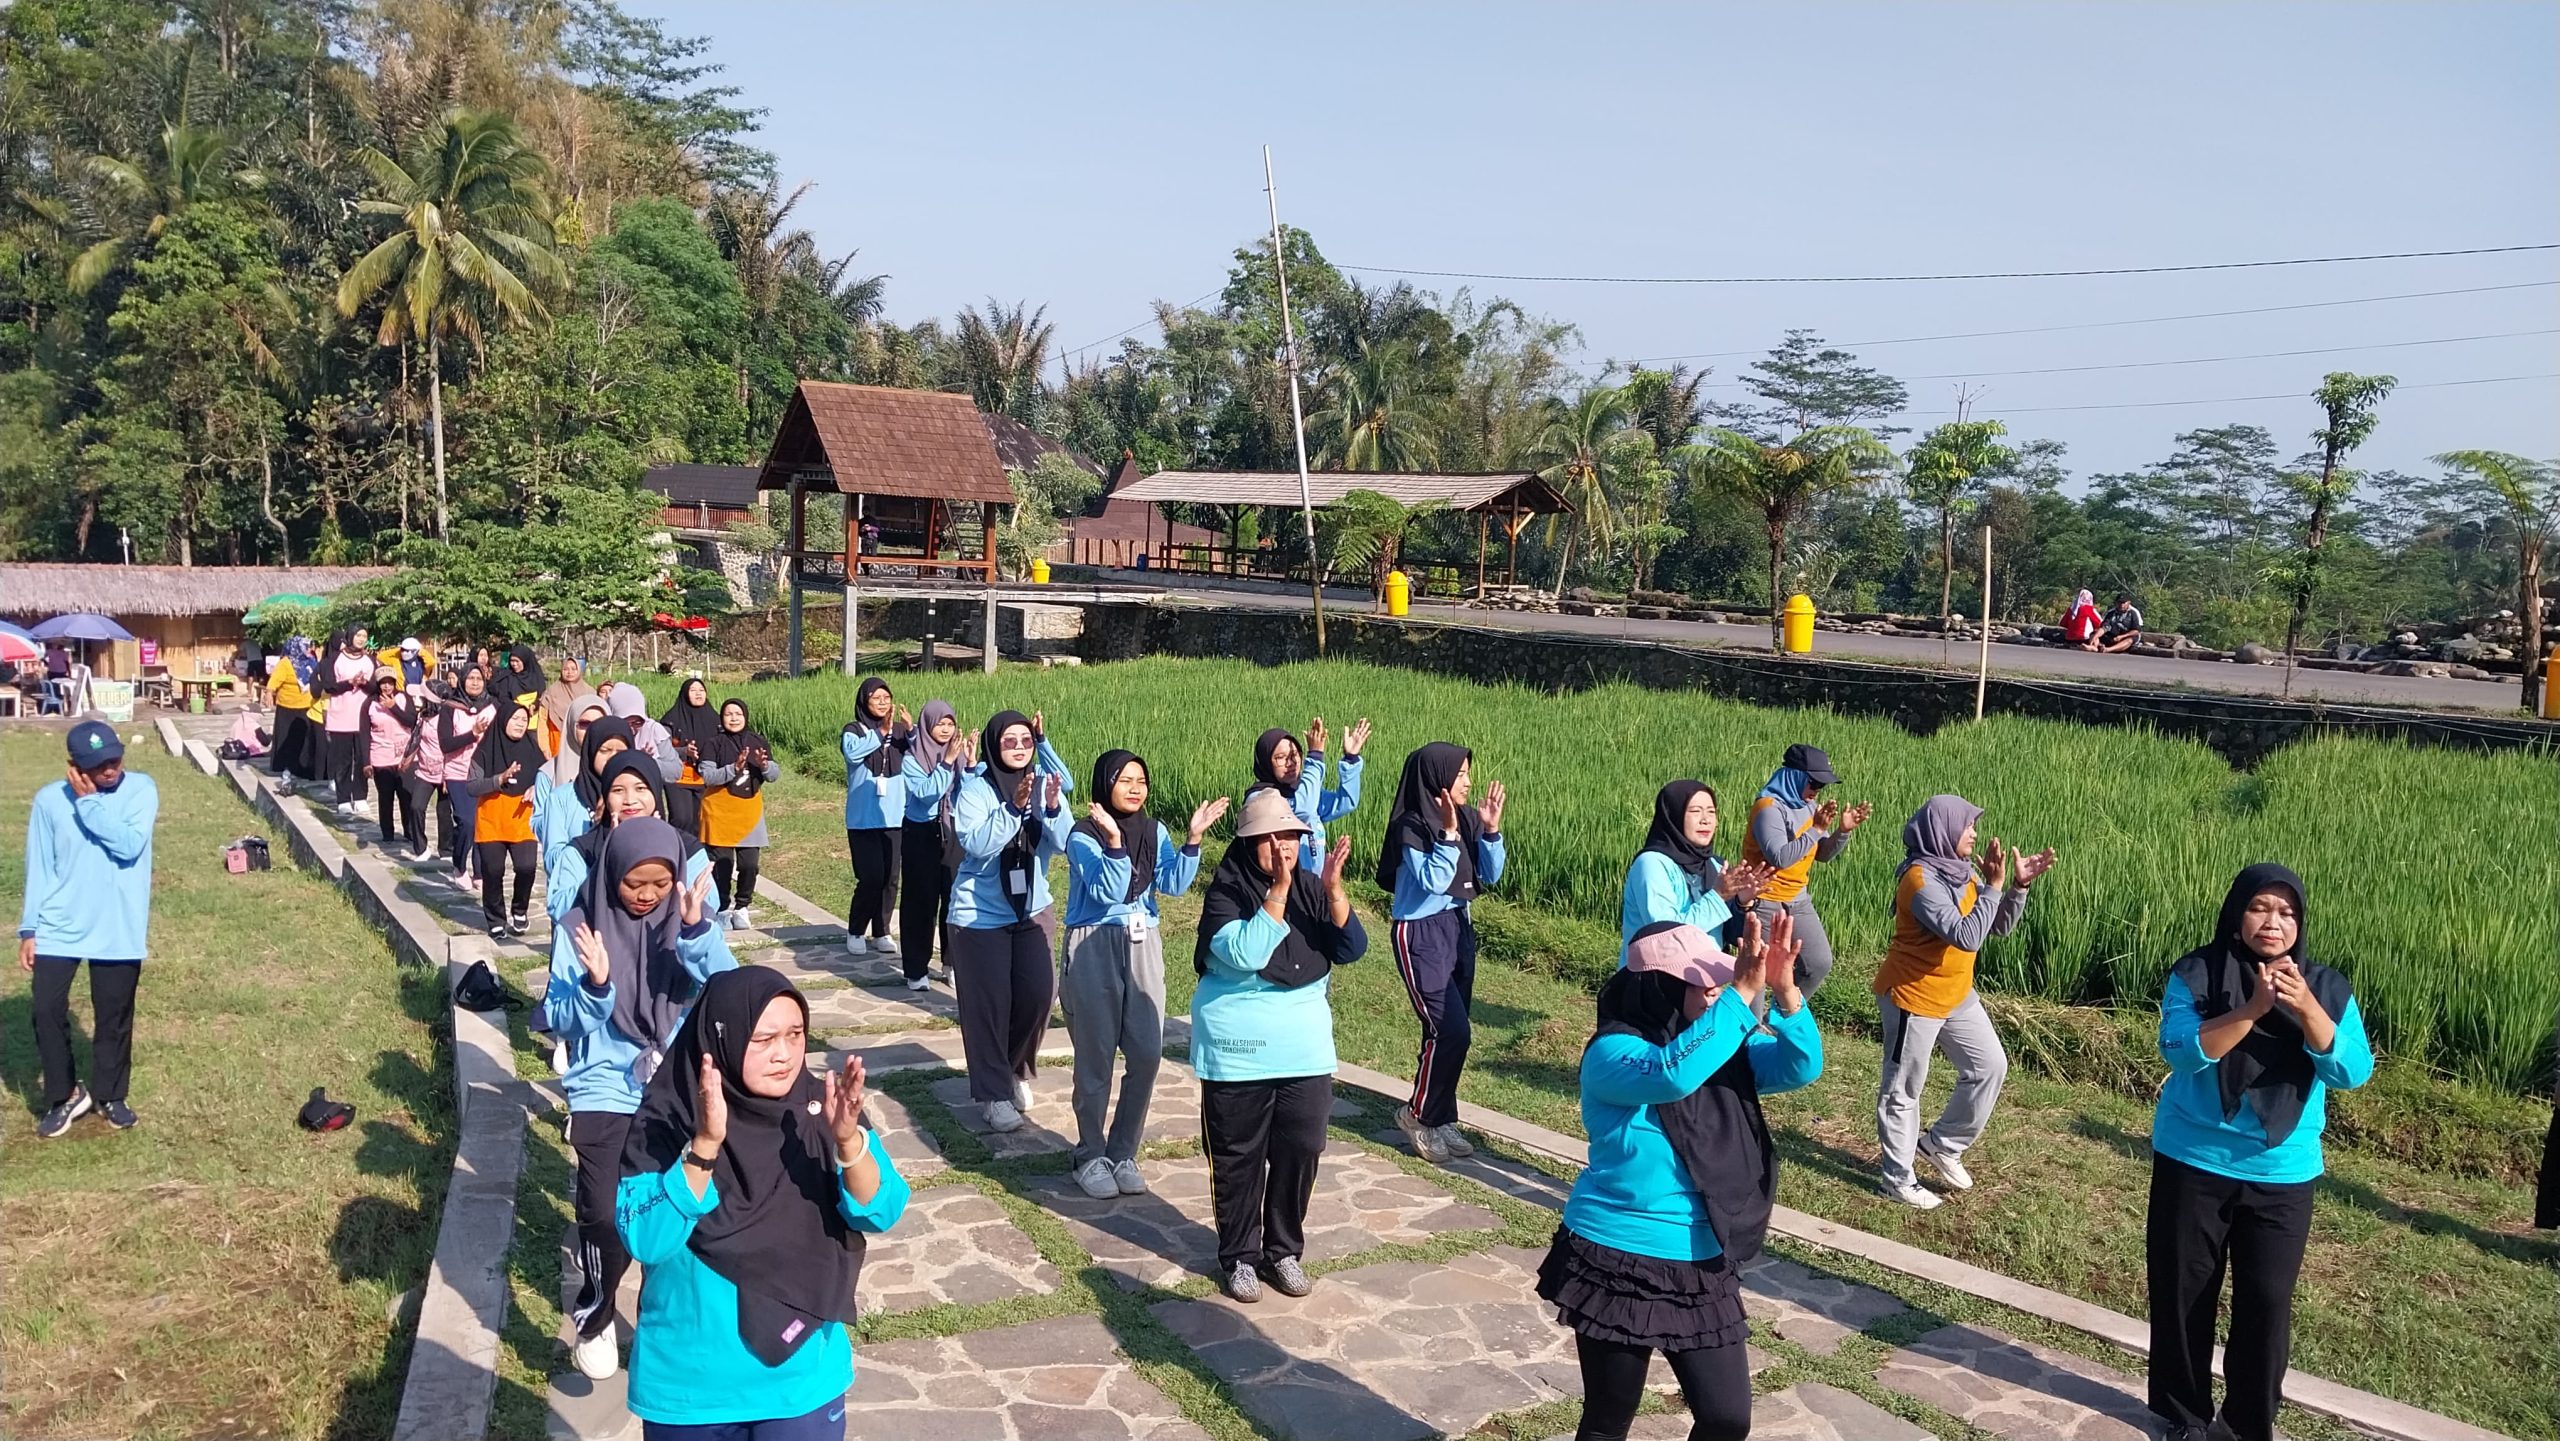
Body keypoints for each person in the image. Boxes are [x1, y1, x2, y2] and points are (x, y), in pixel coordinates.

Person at [1538, 916, 1820, 1441]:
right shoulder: (1611, 1053)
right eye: (1705, 983)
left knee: (1726, 1419)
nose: (1717, 991)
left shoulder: (1719, 1047)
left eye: (1721, 980)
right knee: (1608, 1419)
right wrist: (1740, 996)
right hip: (1617, 1256)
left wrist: (1786, 996)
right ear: (1660, 986)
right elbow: (1671, 1073)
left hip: (1701, 1258)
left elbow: (1799, 1066)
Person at [615, 967, 906, 1434]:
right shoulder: (668, 1120)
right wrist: (705, 1145)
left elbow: (882, 1210)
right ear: (720, 1040)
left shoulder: (819, 1109)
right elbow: (646, 1239)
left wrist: (849, 1143)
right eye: (763, 1039)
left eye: (795, 1035)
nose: (784, 1055)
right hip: (692, 1392)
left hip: (802, 1385)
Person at [2146, 864, 2369, 1441]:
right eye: (2260, 908)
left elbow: (2351, 1071)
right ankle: (2183, 1415)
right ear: (2236, 913)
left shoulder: (2327, 986)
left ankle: (2246, 1424)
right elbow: (2182, 1052)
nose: (2274, 923)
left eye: (2287, 912)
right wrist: (2249, 1010)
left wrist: (2305, 1010)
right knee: (2183, 1291)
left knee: (2267, 1303)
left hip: (2282, 1170)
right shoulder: (2196, 972)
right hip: (2192, 1158)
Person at [546, 817, 735, 1383]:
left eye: (659, 883)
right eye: (635, 884)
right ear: (612, 875)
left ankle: (663, 1322)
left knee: (676, 1206)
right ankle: (599, 1307)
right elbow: (557, 1014)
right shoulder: (580, 926)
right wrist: (596, 988)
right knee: (603, 1210)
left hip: (673, 1080)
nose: (648, 895)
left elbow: (726, 990)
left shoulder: (687, 920)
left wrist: (698, 933)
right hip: (604, 1079)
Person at [1193, 790, 1368, 1303]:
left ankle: (1283, 1250)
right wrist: (1278, 893)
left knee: (1302, 1149)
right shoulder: (1226, 894)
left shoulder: (1314, 889)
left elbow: (1352, 947)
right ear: (1248, 843)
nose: (1282, 845)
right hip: (1237, 1052)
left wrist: (1333, 891)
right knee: (1238, 1158)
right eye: (1270, 837)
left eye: (1290, 835)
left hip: (1304, 1051)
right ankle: (1240, 1257)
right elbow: (1246, 952)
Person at [1873, 794, 2054, 1209]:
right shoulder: (1920, 881)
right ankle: (1897, 1178)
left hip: (1955, 992)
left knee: (1989, 1066)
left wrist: (2018, 887)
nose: (1973, 832)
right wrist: (1992, 886)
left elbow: (1997, 927)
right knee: (1903, 1089)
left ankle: (1942, 1144)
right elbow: (1966, 935)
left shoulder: (1961, 873)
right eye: (1967, 825)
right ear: (1943, 830)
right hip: (1913, 997)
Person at [1061, 749, 1226, 1200]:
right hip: (1094, 943)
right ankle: (1090, 1153)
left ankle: (1123, 1151)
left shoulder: (1155, 831)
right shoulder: (1083, 835)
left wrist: (1192, 839)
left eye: (1141, 781)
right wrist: (1114, 843)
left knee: (1147, 1053)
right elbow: (1107, 890)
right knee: (1095, 1058)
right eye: (1125, 780)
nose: (1135, 788)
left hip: (1143, 943)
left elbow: (1171, 883)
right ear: (1104, 784)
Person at [20, 721, 160, 1138]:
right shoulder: (48, 801)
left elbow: (128, 844)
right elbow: (40, 866)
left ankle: (110, 1095)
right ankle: (63, 1096)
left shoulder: (141, 790)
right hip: (59, 924)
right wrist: (30, 928)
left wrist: (89, 804)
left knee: (113, 1016)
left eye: (114, 760)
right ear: (74, 766)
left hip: (118, 924)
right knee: (45, 1009)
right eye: (98, 765)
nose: (109, 769)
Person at [1376, 741, 1506, 1166]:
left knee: (1452, 1031)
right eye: (1461, 774)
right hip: (1420, 934)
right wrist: (1449, 835)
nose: (1469, 781)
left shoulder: (1467, 817)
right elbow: (1432, 879)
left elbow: (1489, 875)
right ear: (1437, 778)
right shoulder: (1412, 826)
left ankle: (1438, 1116)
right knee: (1449, 1030)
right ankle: (1416, 1115)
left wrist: (1488, 831)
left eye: (1468, 773)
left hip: (1457, 928)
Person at [946, 709, 1073, 1133]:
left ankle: (1013, 1069)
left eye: (1026, 741)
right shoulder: (976, 790)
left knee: (1039, 995)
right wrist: (1014, 809)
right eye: (1010, 741)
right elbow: (976, 844)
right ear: (994, 745)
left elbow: (1066, 842)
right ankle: (994, 1092)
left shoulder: (1043, 784)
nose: (1019, 748)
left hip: (1032, 909)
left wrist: (1051, 807)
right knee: (989, 1006)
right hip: (979, 916)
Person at [1738, 745, 1869, 997]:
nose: (1816, 791)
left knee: (1818, 963)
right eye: (1813, 783)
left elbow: (1822, 854)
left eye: (1821, 786)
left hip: (1798, 898)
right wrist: (1816, 829)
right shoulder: (1768, 808)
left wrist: (1843, 831)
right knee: (1759, 970)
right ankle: (1749, 1032)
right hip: (1763, 899)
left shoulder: (1809, 807)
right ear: (1794, 776)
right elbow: (1781, 857)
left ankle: (1780, 1018)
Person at [547, 753, 720, 926]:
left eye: (641, 788)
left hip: (667, 945)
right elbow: (559, 908)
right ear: (606, 796)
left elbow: (708, 904)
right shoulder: (583, 849)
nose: (630, 800)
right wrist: (605, 865)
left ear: (655, 791)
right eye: (618, 790)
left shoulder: (685, 846)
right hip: (599, 947)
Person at [1620, 781, 1770, 948]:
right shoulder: (1651, 864)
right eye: (1695, 811)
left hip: (1705, 970)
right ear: (1674, 816)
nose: (1705, 820)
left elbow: (1732, 936)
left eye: (1711, 812)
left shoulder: (1715, 865)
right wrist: (1718, 896)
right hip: (1656, 972)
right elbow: (1667, 937)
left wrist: (1742, 903)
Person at [893, 700, 963, 989]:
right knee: (920, 902)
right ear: (926, 726)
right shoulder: (912, 758)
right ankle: (916, 968)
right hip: (921, 832)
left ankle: (952, 963)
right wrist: (946, 764)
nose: (945, 730)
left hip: (953, 831)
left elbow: (968, 792)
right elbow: (925, 794)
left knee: (955, 899)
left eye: (950, 724)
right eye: (940, 724)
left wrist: (967, 764)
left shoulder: (958, 757)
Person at [698, 699, 783, 930]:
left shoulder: (757, 741)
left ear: (745, 716)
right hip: (719, 811)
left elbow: (774, 775)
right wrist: (733, 769)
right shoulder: (713, 743)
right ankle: (723, 908)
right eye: (728, 714)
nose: (733, 718)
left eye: (738, 713)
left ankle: (742, 906)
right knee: (722, 865)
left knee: (750, 865)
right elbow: (707, 777)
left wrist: (764, 766)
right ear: (722, 718)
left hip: (748, 811)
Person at [840, 677, 909, 957]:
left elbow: (917, 756)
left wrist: (912, 731)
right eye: (876, 698)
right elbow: (853, 754)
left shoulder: (901, 732)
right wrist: (880, 732)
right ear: (864, 702)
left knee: (891, 878)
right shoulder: (854, 730)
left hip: (895, 815)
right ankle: (856, 930)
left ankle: (882, 930)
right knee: (870, 876)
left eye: (886, 698)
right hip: (863, 818)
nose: (882, 703)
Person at [1248, 717, 1368, 873]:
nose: (1290, 763)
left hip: (1311, 886)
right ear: (1266, 762)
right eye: (1280, 758)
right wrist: (1316, 758)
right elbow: (1304, 809)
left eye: (1295, 755)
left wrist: (1351, 758)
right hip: (1279, 888)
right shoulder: (1260, 798)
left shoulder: (1303, 792)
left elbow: (1346, 802)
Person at [468, 703, 547, 939]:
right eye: (515, 718)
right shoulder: (484, 750)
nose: (520, 723)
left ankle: (520, 910)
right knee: (493, 870)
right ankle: (495, 919)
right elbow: (471, 786)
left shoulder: (533, 748)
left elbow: (547, 775)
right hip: (492, 818)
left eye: (524, 719)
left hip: (523, 817)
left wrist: (536, 787)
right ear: (503, 720)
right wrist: (498, 779)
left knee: (526, 868)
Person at [428, 667, 497, 885]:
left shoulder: (493, 707)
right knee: (466, 822)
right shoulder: (450, 708)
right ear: (462, 681)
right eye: (470, 679)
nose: (475, 683)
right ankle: (459, 866)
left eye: (479, 679)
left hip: (484, 773)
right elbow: (446, 744)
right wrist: (472, 734)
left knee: (482, 823)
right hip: (457, 773)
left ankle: (479, 872)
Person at [361, 668, 425, 855]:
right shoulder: (369, 704)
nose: (387, 686)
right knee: (386, 796)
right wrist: (366, 762)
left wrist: (393, 707)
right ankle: (387, 833)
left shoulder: (404, 698)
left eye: (390, 682)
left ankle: (410, 831)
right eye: (383, 683)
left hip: (404, 756)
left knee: (407, 795)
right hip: (381, 756)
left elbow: (412, 721)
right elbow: (364, 734)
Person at [320, 629, 376, 816]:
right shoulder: (334, 659)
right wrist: (349, 682)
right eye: (358, 635)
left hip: (363, 718)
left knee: (362, 759)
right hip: (340, 717)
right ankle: (343, 799)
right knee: (342, 761)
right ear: (350, 637)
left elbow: (376, 687)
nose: (361, 639)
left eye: (364, 637)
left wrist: (363, 683)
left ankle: (360, 796)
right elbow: (328, 685)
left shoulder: (370, 660)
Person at [660, 676, 719, 838]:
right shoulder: (671, 720)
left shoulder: (716, 720)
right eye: (693, 691)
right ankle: (678, 853)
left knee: (701, 821)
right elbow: (662, 749)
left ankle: (700, 858)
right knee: (681, 818)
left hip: (705, 778)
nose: (698, 694)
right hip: (679, 777)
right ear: (685, 694)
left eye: (701, 690)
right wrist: (683, 751)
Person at [265, 639, 317, 792]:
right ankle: (285, 767)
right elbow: (274, 681)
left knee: (304, 740)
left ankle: (303, 768)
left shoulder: (312, 661)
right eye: (306, 647)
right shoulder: (286, 663)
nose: (309, 649)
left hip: (306, 707)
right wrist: (269, 692)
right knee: (287, 740)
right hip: (287, 708)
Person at [539, 656, 599, 758]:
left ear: (579, 670)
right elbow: (542, 721)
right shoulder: (551, 692)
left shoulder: (589, 693)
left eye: (573, 669)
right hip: (556, 744)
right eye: (565, 669)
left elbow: (597, 720)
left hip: (583, 744)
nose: (569, 672)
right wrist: (544, 748)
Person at [500, 644, 546, 713]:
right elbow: (504, 698)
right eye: (512, 661)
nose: (514, 664)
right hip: (515, 716)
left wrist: (534, 705)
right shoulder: (508, 678)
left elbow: (542, 697)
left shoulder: (536, 677)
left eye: (517, 661)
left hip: (534, 717)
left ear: (525, 661)